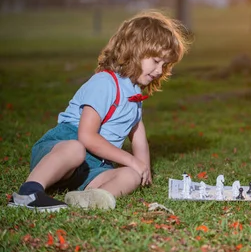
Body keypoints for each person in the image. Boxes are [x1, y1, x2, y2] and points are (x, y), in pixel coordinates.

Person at [8, 11, 190, 212]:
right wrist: (130, 159)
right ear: (135, 51)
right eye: (156, 61)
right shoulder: (105, 83)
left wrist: (142, 171)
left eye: (165, 65)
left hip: (92, 168)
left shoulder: (134, 94)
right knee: (76, 149)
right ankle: (29, 192)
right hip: (62, 150)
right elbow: (86, 137)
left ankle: (87, 199)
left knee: (130, 175)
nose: (159, 70)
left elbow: (139, 138)